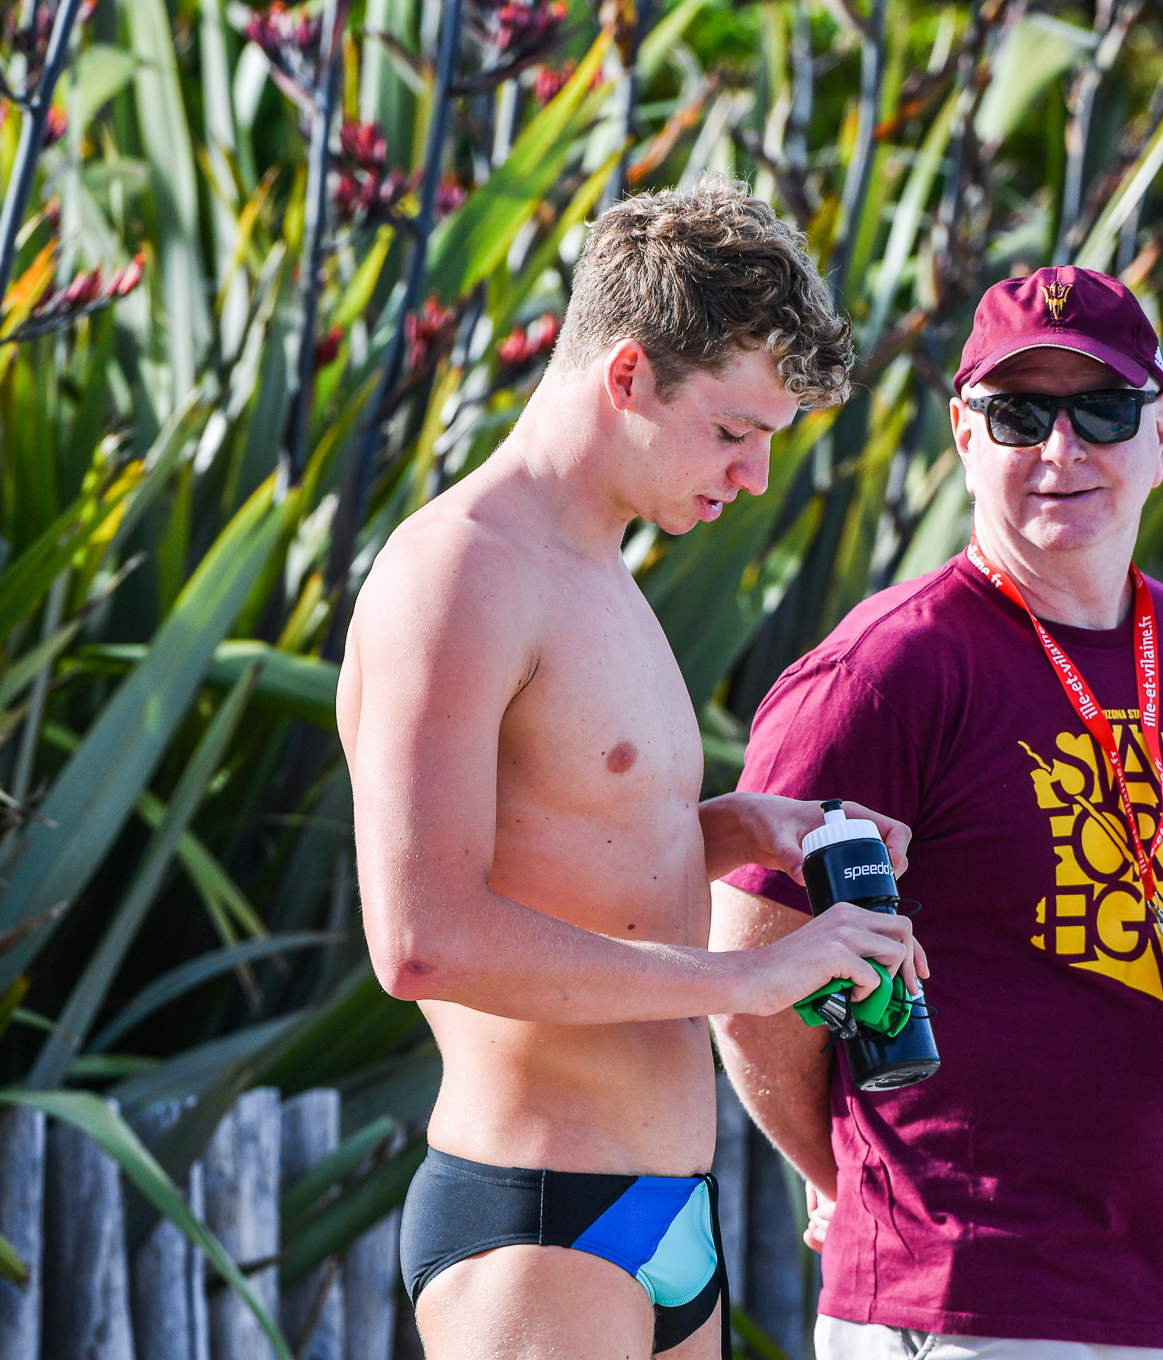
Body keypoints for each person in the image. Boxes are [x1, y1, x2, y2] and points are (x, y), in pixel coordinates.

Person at [337, 180, 928, 1360]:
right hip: (537, 1221)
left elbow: (566, 861)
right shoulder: (457, 573)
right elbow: (422, 938)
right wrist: (750, 980)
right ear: (628, 376)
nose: (753, 477)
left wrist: (742, 829)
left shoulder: (603, 571)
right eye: (733, 432)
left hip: (668, 1219)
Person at [712, 266, 1163, 1360]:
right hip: (967, 1303)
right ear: (965, 437)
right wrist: (850, 1182)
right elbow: (751, 987)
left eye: (1103, 410)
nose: (1062, 452)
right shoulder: (884, 677)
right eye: (1022, 415)